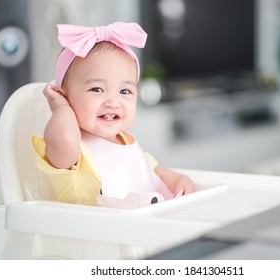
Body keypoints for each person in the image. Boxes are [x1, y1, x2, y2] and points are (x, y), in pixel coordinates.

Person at [32, 22, 195, 208]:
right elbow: (64, 139)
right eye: (97, 89)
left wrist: (180, 181)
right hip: (96, 234)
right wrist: (60, 107)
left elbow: (153, 174)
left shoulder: (126, 140)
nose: (112, 102)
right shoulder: (74, 152)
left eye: (125, 91)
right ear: (64, 96)